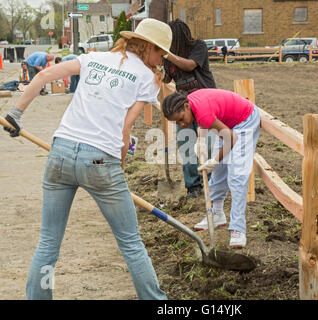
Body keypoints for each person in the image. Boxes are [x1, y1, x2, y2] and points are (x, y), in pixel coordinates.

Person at [2, 18, 171, 300]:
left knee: (48, 244)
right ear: (149, 47)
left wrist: (14, 115)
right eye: (161, 53)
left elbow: (43, 77)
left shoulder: (94, 58)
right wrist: (120, 166)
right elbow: (125, 130)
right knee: (131, 243)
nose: (161, 59)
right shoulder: (146, 78)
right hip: (100, 161)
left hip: (60, 153)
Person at [162, 89, 261, 248]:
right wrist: (200, 141)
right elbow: (205, 122)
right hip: (228, 124)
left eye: (181, 119)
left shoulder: (201, 112)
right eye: (177, 123)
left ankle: (238, 228)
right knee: (219, 172)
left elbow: (230, 138)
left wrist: (214, 160)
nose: (182, 124)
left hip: (245, 120)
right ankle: (216, 214)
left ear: (186, 106)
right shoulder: (192, 106)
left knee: (237, 175)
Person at [163, 19, 216, 199]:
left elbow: (190, 65)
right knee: (186, 146)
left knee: (207, 146)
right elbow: (167, 79)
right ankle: (193, 187)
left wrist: (167, 54)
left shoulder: (198, 47)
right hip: (183, 107)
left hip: (205, 104)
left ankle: (210, 183)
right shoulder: (168, 57)